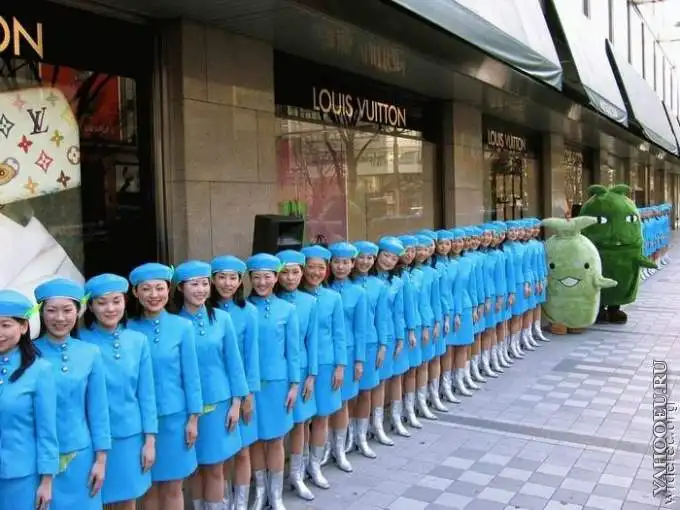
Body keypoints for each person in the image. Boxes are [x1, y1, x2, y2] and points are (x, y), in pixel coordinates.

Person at [173, 261, 249, 510]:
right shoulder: (174, 323)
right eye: (194, 284)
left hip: (219, 403)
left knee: (216, 466)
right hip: (186, 407)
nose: (200, 290)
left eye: (204, 284)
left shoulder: (222, 319)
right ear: (180, 287)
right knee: (194, 468)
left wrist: (236, 403)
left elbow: (234, 364)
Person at [128, 263, 203, 510]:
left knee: (172, 486)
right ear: (135, 292)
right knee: (148, 488)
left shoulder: (182, 327)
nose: (154, 295)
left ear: (169, 289)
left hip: (175, 418)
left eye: (159, 288)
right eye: (146, 289)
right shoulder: (127, 329)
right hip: (140, 422)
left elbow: (191, 377)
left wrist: (193, 418)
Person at [80, 274, 158, 509]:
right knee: (95, 499)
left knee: (127, 499)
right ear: (90, 307)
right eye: (102, 302)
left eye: (116, 301)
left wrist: (150, 440)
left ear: (125, 302)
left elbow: (146, 394)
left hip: (130, 435)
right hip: (90, 438)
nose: (110, 308)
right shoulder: (80, 341)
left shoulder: (138, 340)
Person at [34, 278, 111, 510]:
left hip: (81, 455)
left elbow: (98, 410)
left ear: (78, 312)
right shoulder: (28, 354)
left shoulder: (90, 352)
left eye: (67, 310)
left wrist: (101, 460)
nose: (60, 318)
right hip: (36, 459)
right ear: (41, 313)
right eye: (51, 310)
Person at [246, 253, 300, 510]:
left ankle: (276, 495)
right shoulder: (243, 308)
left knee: (276, 438)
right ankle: (260, 493)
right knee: (256, 439)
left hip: (278, 383)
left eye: (267, 276)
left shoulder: (288, 309)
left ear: (276, 277)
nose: (262, 282)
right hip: (250, 386)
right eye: (256, 277)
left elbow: (293, 351)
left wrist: (294, 384)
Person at [0, 290, 58, 510]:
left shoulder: (39, 370)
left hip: (21, 475)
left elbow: (47, 430)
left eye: (5, 325)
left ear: (23, 326)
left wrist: (47, 480)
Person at [210, 255, 260, 510]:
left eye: (233, 278)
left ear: (241, 281)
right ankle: (223, 502)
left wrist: (248, 395)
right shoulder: (204, 312)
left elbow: (252, 357)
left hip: (242, 390)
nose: (227, 283)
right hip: (217, 393)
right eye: (222, 277)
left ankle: (240, 504)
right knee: (219, 455)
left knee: (242, 451)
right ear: (212, 280)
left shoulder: (248, 311)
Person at [300, 245, 346, 488]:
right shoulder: (294, 299)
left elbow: (339, 334)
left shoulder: (333, 298)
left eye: (320, 268)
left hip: (327, 363)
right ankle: (299, 468)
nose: (315, 272)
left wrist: (340, 366)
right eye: (310, 267)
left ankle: (315, 466)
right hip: (302, 367)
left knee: (322, 416)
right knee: (301, 421)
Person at [275, 249, 319, 501]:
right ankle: (274, 480)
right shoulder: (264, 302)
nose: (290, 278)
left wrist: (311, 375)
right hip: (275, 375)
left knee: (301, 423)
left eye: (295, 272)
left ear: (302, 273)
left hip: (301, 370)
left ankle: (298, 475)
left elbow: (312, 341)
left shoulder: (309, 302)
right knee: (277, 429)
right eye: (285, 273)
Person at [327, 242, 367, 472]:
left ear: (352, 264)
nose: (340, 267)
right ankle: (324, 447)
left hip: (349, 353)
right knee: (325, 404)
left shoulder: (358, 292)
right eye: (336, 262)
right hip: (325, 354)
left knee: (343, 402)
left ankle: (340, 448)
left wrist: (359, 360)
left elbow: (361, 330)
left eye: (345, 262)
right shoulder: (322, 291)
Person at [351, 241, 389, 455]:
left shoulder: (379, 285)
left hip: (371, 344)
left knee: (366, 391)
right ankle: (345, 439)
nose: (365, 262)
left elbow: (381, 319)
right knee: (347, 396)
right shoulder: (344, 285)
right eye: (361, 257)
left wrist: (383, 344)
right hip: (348, 347)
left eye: (369, 258)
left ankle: (362, 436)